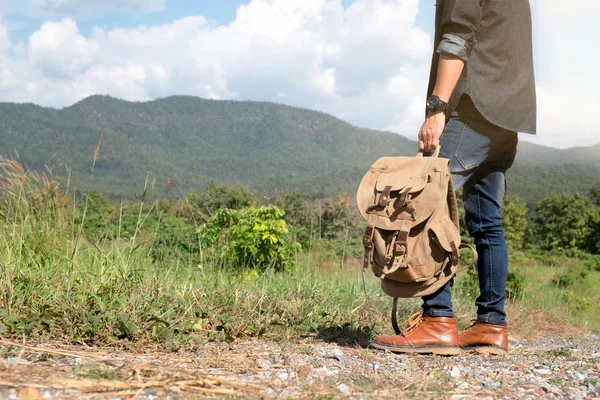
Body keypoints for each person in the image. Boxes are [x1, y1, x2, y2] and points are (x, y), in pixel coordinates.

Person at [371, 0, 536, 354]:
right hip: (507, 115)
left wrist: (437, 108)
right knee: (487, 221)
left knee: (424, 207)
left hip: (471, 107)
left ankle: (437, 320)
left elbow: (458, 34)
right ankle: (491, 324)